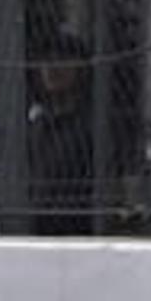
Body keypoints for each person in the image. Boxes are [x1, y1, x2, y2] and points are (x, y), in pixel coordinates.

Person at [28, 31, 96, 235]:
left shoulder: (91, 125)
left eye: (63, 59)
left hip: (77, 231)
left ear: (82, 68)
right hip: (34, 232)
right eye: (47, 59)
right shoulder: (35, 124)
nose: (52, 67)